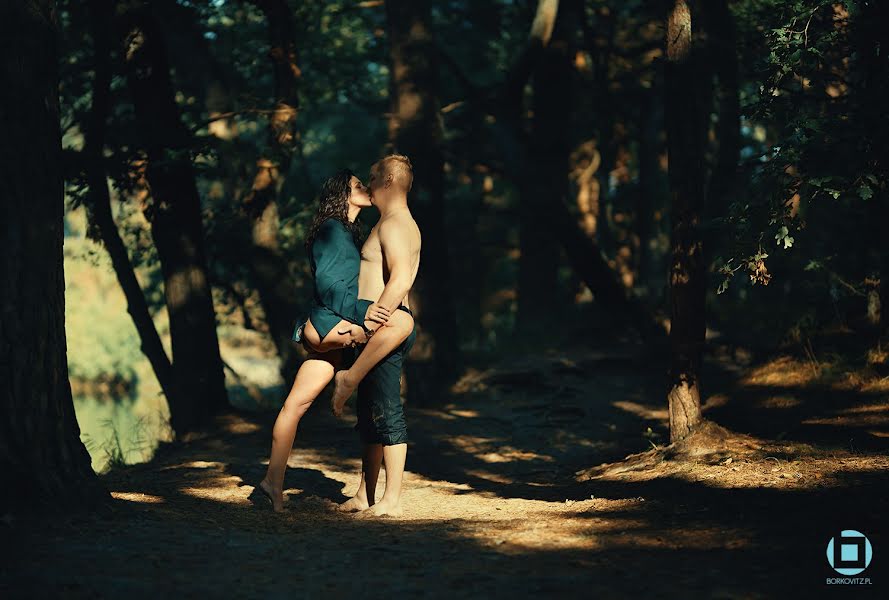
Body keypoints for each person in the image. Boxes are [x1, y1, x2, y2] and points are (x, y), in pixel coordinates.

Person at [255, 169, 413, 513]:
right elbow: (330, 288)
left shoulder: (347, 232)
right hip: (329, 323)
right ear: (343, 193)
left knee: (294, 405)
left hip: (333, 330)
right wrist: (365, 313)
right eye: (358, 184)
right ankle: (349, 382)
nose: (366, 188)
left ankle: (272, 482)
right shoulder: (332, 229)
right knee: (400, 321)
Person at [337, 154, 421, 518]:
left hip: (382, 331)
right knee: (370, 415)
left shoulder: (396, 225)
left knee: (388, 412)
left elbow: (402, 280)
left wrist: (371, 325)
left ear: (386, 181)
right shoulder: (389, 222)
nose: (368, 185)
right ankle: (364, 493)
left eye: (371, 178)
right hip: (379, 331)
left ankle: (391, 500)